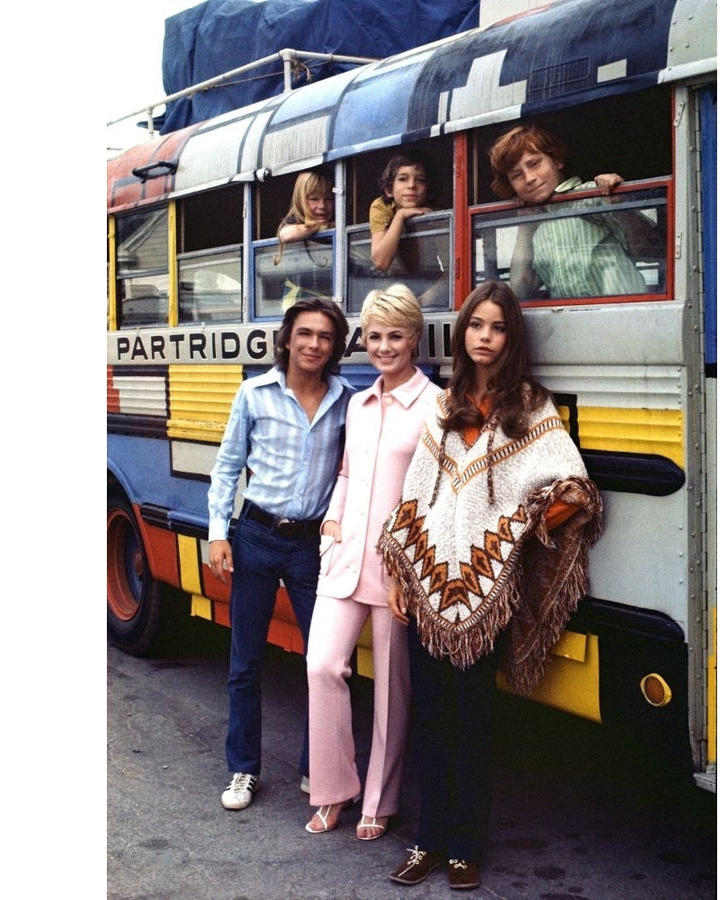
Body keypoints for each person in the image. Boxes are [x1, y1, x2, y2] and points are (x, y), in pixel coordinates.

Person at [378, 281, 603, 890]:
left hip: (485, 590)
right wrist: (403, 572)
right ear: (463, 334)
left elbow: (573, 486)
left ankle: (464, 849)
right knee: (430, 716)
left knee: (474, 721)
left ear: (511, 337)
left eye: (497, 327)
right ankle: (427, 841)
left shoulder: (530, 407)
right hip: (428, 586)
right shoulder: (445, 404)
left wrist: (514, 533)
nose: (484, 336)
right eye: (476, 325)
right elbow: (416, 495)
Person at [304, 284, 441, 840]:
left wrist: (412, 569)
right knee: (321, 665)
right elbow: (344, 475)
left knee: (392, 690)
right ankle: (334, 789)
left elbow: (437, 495)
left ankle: (379, 802)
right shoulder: (358, 405)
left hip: (397, 574)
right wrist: (331, 526)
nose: (384, 347)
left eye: (396, 336)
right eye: (375, 336)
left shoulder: (437, 407)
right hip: (344, 559)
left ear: (414, 338)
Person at [208, 296, 353, 811]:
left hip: (312, 547)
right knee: (245, 659)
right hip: (255, 536)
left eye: (326, 337)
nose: (314, 344)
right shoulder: (254, 394)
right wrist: (217, 532)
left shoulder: (347, 401)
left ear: (335, 347)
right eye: (305, 334)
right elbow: (227, 468)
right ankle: (243, 769)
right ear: (287, 339)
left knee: (323, 660)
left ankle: (318, 769)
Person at [488, 122, 658, 299]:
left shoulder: (592, 194)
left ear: (557, 161)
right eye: (517, 175)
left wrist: (619, 203)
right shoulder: (536, 222)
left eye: (535, 164)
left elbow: (650, 251)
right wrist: (525, 225)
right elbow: (520, 290)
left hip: (625, 315)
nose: (529, 178)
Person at [369, 152, 447, 305]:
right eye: (403, 179)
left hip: (430, 290)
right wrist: (400, 216)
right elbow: (381, 262)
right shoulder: (381, 206)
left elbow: (452, 271)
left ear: (428, 188)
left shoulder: (437, 215)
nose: (411, 185)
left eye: (420, 180)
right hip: (390, 294)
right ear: (388, 190)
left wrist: (423, 301)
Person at [275, 169, 335, 261]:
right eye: (314, 199)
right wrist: (321, 227)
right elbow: (285, 235)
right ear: (301, 200)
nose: (322, 206)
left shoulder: (339, 218)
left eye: (329, 199)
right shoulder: (296, 219)